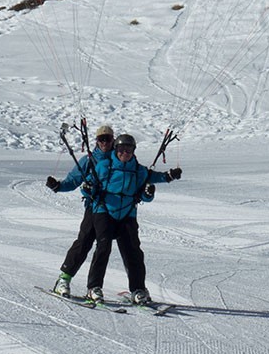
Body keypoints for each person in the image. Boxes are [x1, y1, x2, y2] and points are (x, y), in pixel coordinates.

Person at [83, 133, 182, 305]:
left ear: (133, 151)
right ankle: (94, 287)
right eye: (121, 149)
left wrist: (169, 176)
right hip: (104, 212)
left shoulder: (138, 170)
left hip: (127, 214)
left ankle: (138, 289)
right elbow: (89, 186)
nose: (125, 153)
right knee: (103, 247)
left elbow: (154, 179)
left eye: (129, 150)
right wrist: (87, 189)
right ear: (116, 149)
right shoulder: (103, 166)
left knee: (133, 251)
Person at [45, 124, 116, 296]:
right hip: (94, 208)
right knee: (84, 243)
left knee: (111, 248)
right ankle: (64, 279)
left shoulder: (120, 158)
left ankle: (97, 287)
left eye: (108, 139)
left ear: (113, 140)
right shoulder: (89, 160)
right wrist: (58, 186)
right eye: (101, 139)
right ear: (97, 141)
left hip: (116, 210)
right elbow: (73, 180)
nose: (105, 142)